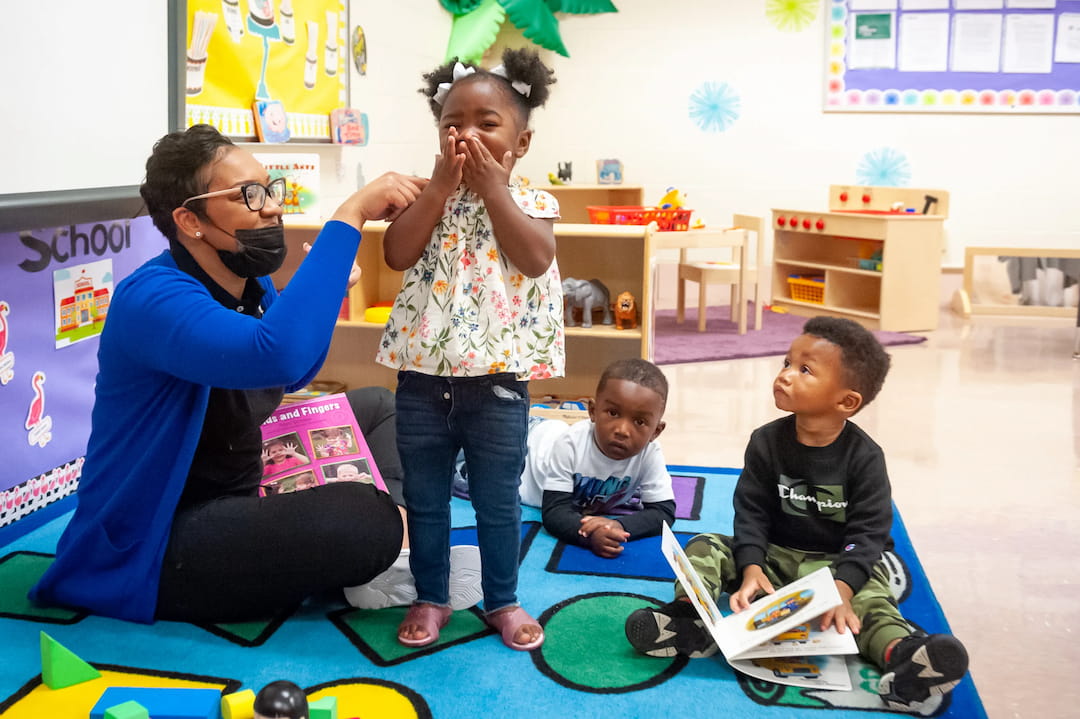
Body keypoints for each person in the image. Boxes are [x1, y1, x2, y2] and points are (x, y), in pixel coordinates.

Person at [29, 124, 426, 624]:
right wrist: (351, 215)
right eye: (249, 195)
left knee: (383, 407)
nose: (273, 206)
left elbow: (296, 373)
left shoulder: (249, 278)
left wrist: (321, 295)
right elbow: (276, 355)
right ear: (190, 220)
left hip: (245, 476)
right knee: (361, 519)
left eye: (270, 189)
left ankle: (399, 540)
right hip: (163, 531)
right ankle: (390, 538)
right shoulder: (152, 298)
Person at [624, 317, 969, 708]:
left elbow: (868, 533)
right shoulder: (766, 442)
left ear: (846, 402)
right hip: (775, 555)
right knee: (706, 545)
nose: (785, 375)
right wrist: (752, 565)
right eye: (786, 363)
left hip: (837, 564)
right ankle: (686, 620)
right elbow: (751, 512)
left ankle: (904, 657)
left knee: (871, 598)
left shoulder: (866, 458)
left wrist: (841, 589)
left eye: (804, 370)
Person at [374, 48, 562, 651]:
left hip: (498, 386)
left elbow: (534, 258)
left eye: (488, 124)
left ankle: (502, 600)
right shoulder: (423, 197)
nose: (468, 135)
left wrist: (493, 188)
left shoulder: (534, 202)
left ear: (521, 142)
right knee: (424, 500)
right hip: (423, 381)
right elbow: (396, 255)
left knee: (496, 503)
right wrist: (439, 188)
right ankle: (432, 596)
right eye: (454, 124)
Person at [455, 358, 675, 558]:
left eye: (639, 422)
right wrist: (590, 536)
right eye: (613, 413)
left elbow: (663, 512)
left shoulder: (650, 454)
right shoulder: (569, 446)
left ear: (656, 431)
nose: (622, 430)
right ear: (593, 411)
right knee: (458, 468)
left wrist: (616, 525)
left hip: (546, 433)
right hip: (524, 448)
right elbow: (554, 513)